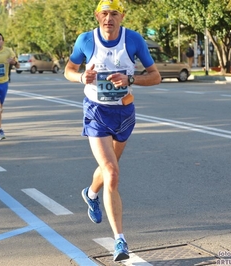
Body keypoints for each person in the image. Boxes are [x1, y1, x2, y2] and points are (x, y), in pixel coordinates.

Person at [64, 0, 160, 262]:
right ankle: (120, 240)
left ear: (122, 16)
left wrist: (130, 79)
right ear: (97, 16)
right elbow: (69, 70)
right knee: (112, 172)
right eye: (104, 13)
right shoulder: (86, 40)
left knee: (110, 167)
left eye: (114, 14)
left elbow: (155, 76)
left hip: (124, 114)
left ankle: (91, 193)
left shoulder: (134, 40)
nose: (109, 18)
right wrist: (83, 77)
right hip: (96, 112)